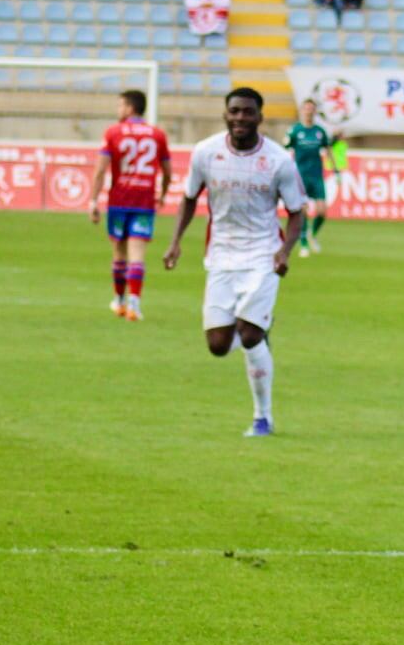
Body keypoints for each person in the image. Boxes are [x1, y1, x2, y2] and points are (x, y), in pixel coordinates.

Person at [163, 88, 309, 438]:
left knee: (250, 336)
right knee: (217, 345)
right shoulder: (206, 152)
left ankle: (263, 417)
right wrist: (175, 242)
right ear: (225, 114)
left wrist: (284, 252)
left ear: (260, 117)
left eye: (247, 112)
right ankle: (253, 324)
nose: (240, 118)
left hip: (262, 255)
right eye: (234, 111)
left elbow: (296, 212)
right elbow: (188, 198)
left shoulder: (278, 161)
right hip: (222, 255)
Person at [88, 89, 173, 321]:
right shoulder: (157, 134)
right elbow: (167, 172)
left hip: (119, 201)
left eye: (120, 106)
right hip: (144, 201)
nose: (118, 110)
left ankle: (119, 301)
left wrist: (93, 200)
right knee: (138, 255)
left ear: (129, 108)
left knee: (119, 254)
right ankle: (135, 304)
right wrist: (163, 194)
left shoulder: (113, 132)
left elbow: (100, 170)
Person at [283, 98, 332, 258]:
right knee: (302, 210)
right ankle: (303, 243)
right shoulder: (295, 131)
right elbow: (285, 151)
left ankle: (313, 234)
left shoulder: (319, 131)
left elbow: (327, 149)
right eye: (306, 108)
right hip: (300, 176)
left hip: (316, 176)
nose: (309, 111)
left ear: (315, 111)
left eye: (312, 108)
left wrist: (336, 169)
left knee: (322, 211)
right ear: (302, 110)